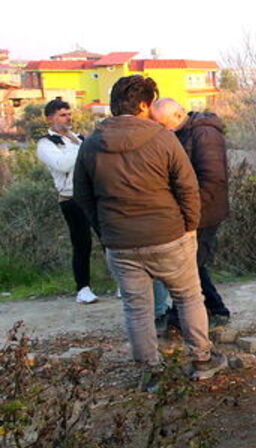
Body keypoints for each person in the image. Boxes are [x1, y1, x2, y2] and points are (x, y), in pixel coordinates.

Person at [73, 75, 226, 390]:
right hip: (169, 236)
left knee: (137, 308)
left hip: (120, 242)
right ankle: (201, 359)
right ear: (143, 104)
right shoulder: (163, 139)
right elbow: (188, 188)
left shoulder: (90, 144)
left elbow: (83, 196)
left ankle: (151, 373)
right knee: (188, 297)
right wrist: (189, 226)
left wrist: (106, 232)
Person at [151, 98, 232, 326]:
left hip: (205, 211)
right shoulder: (184, 132)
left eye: (161, 123)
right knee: (194, 262)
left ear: (177, 116)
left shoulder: (204, 134)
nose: (159, 128)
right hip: (197, 209)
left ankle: (182, 317)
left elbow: (212, 179)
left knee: (188, 266)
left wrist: (190, 214)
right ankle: (216, 309)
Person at [36, 99, 97, 304]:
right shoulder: (46, 143)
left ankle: (120, 284)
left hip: (93, 195)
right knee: (81, 243)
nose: (67, 118)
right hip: (71, 198)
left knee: (109, 240)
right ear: (50, 118)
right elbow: (61, 164)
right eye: (62, 114)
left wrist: (79, 142)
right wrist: (80, 146)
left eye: (69, 114)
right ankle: (83, 288)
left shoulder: (79, 139)